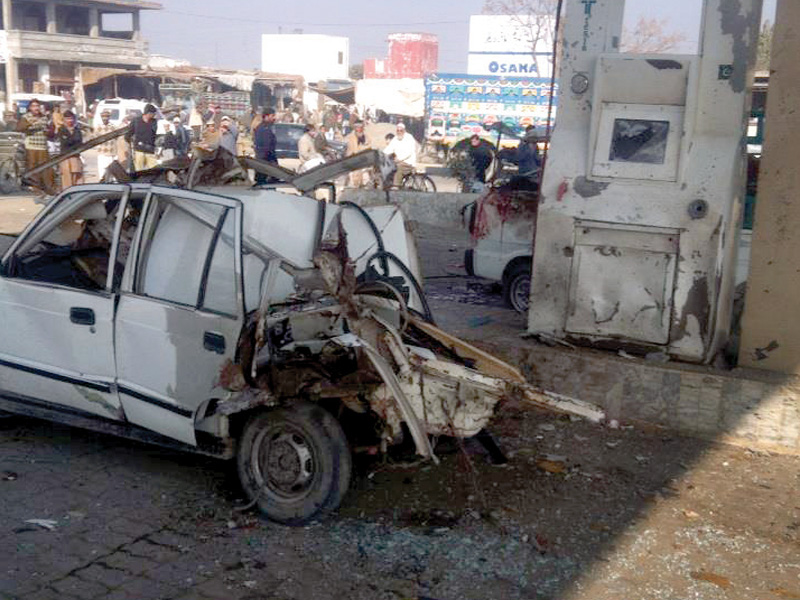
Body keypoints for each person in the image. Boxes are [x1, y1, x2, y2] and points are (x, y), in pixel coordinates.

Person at [17, 99, 56, 194]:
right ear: (30, 108)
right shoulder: (26, 117)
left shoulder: (45, 117)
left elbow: (51, 130)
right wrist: (34, 124)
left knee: (46, 168)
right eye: (34, 106)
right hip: (31, 146)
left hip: (43, 146)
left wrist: (49, 131)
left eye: (37, 106)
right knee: (33, 168)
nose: (36, 108)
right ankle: (36, 188)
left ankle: (49, 188)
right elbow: (20, 128)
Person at [54, 110, 83, 190]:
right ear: (64, 120)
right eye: (68, 119)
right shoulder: (61, 129)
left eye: (71, 118)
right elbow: (65, 142)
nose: (70, 121)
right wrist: (72, 140)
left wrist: (71, 139)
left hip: (75, 156)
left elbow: (79, 141)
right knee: (66, 179)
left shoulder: (77, 130)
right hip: (65, 157)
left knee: (77, 177)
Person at [125, 103, 158, 171]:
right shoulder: (136, 121)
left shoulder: (154, 122)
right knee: (139, 171)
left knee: (154, 170)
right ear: (148, 113)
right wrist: (131, 144)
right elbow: (128, 134)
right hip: (139, 150)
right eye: (153, 113)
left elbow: (154, 135)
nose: (154, 115)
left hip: (150, 150)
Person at [382, 122, 417, 187]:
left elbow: (409, 152)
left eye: (401, 130)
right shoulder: (395, 139)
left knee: (398, 169)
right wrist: (381, 155)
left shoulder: (409, 138)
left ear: (404, 131)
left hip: (408, 163)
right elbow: (389, 148)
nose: (399, 132)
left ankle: (396, 188)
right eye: (397, 130)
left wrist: (399, 159)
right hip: (399, 162)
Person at [253, 107, 277, 185]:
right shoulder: (263, 128)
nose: (274, 118)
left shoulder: (268, 127)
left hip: (267, 163)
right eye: (272, 116)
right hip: (264, 164)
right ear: (266, 116)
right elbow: (265, 148)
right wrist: (271, 164)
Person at [344, 120, 372, 187]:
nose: (359, 129)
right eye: (357, 127)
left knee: (366, 181)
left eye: (361, 127)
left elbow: (368, 148)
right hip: (353, 163)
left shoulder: (366, 138)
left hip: (363, 163)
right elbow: (349, 151)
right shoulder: (349, 137)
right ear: (355, 128)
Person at [94, 109, 117, 181]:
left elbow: (116, 138)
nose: (105, 118)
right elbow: (94, 138)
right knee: (102, 171)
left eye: (106, 117)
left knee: (111, 171)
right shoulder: (98, 127)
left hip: (111, 152)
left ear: (109, 117)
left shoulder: (113, 127)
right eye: (103, 117)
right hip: (102, 152)